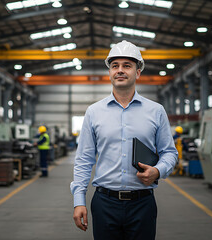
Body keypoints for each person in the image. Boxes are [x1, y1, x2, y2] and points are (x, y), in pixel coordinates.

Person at [70, 40, 178, 240]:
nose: (120, 70)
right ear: (109, 72)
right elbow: (84, 159)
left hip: (142, 203)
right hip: (104, 203)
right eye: (115, 66)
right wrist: (79, 200)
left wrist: (157, 171)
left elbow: (169, 153)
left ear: (137, 72)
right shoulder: (94, 112)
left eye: (127, 66)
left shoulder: (156, 111)